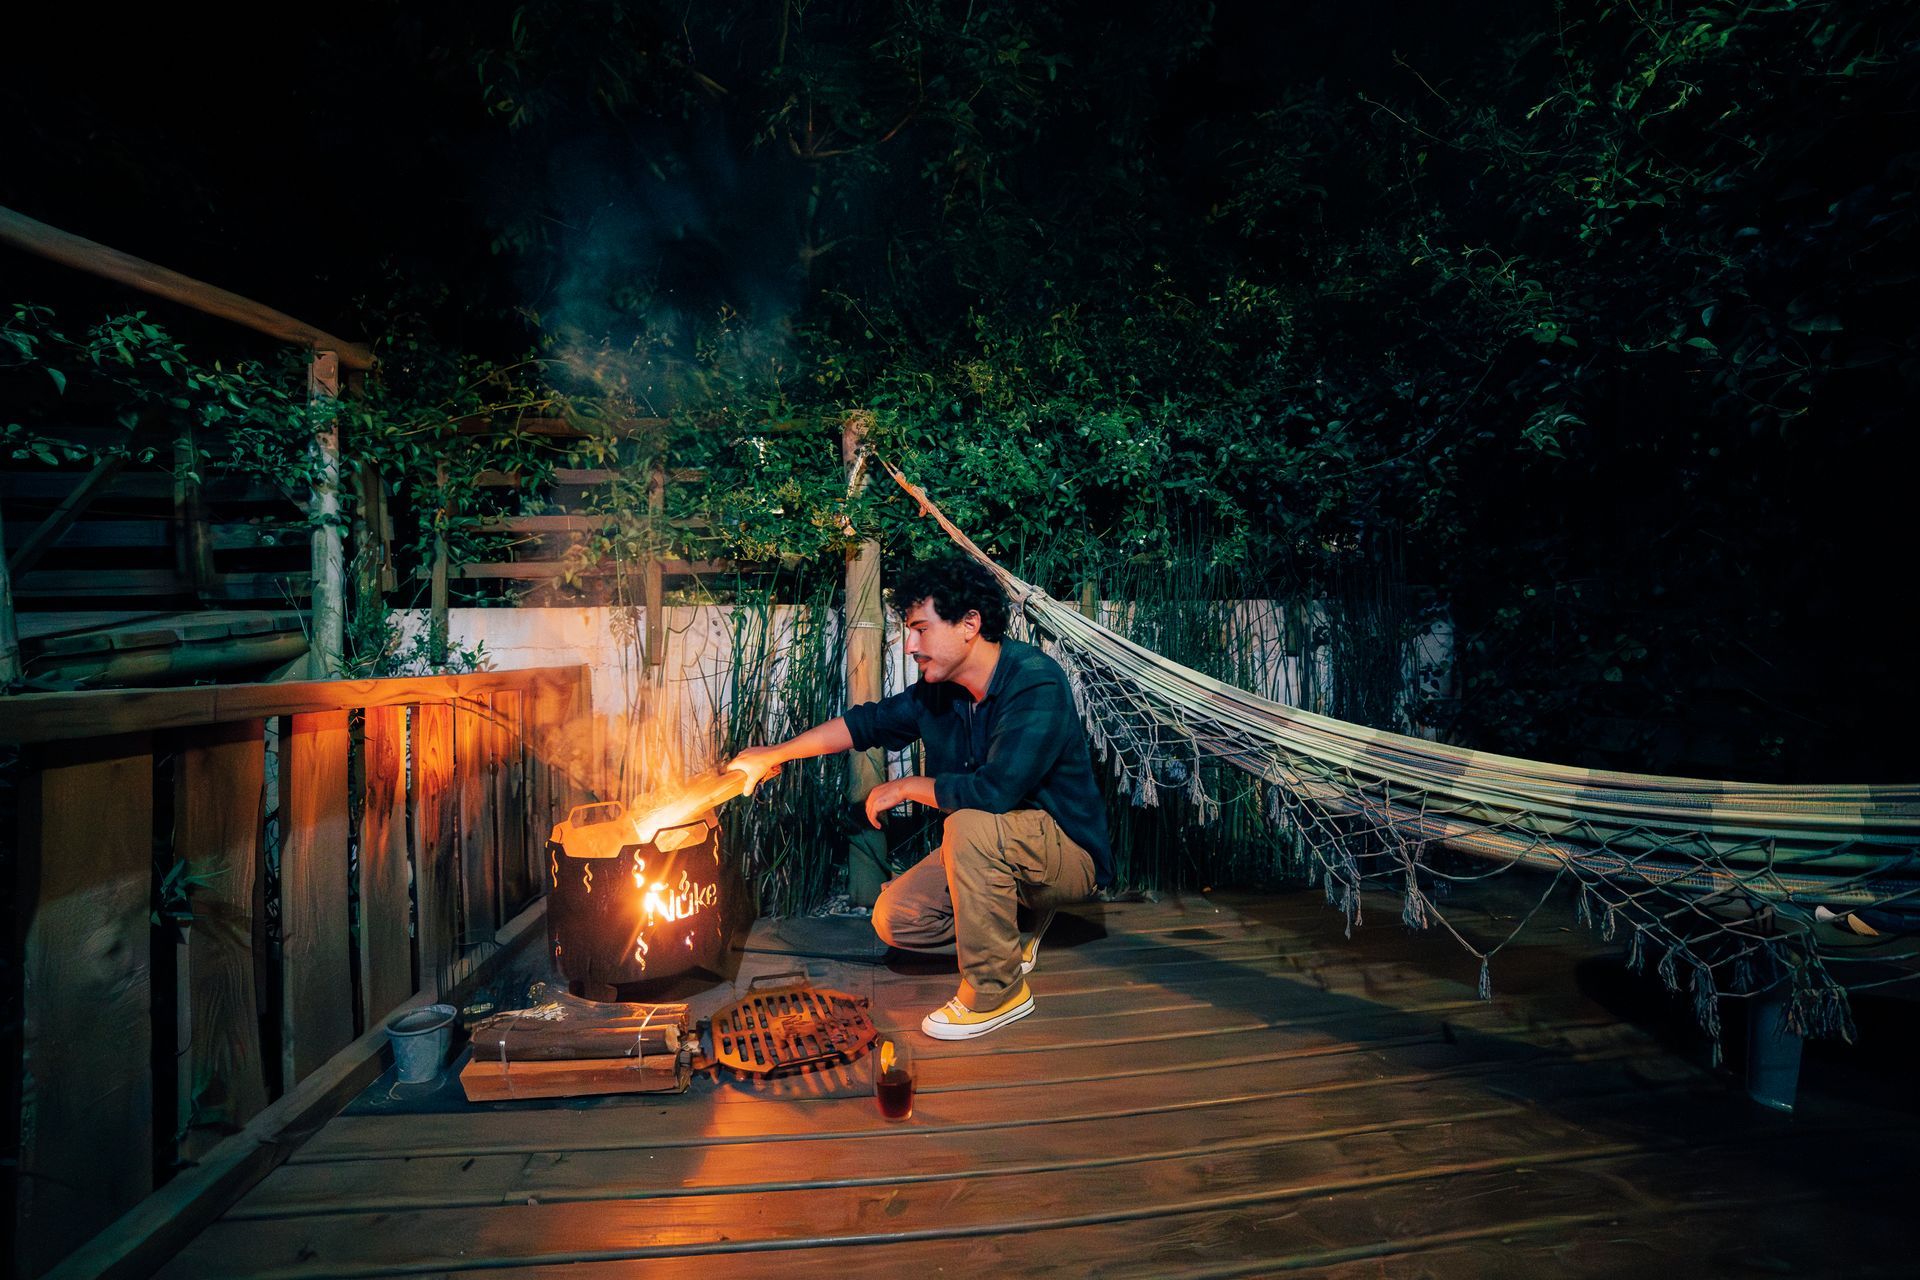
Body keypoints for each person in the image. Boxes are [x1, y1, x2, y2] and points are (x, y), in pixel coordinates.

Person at [727, 555, 1114, 1039]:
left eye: (920, 629)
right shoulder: (939, 691)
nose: (910, 645)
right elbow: (865, 723)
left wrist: (908, 786)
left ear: (969, 623)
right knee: (898, 919)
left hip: (1066, 852)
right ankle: (1015, 926)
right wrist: (775, 754)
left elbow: (994, 794)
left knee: (968, 825)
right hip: (994, 849)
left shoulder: (1035, 681)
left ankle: (999, 991)